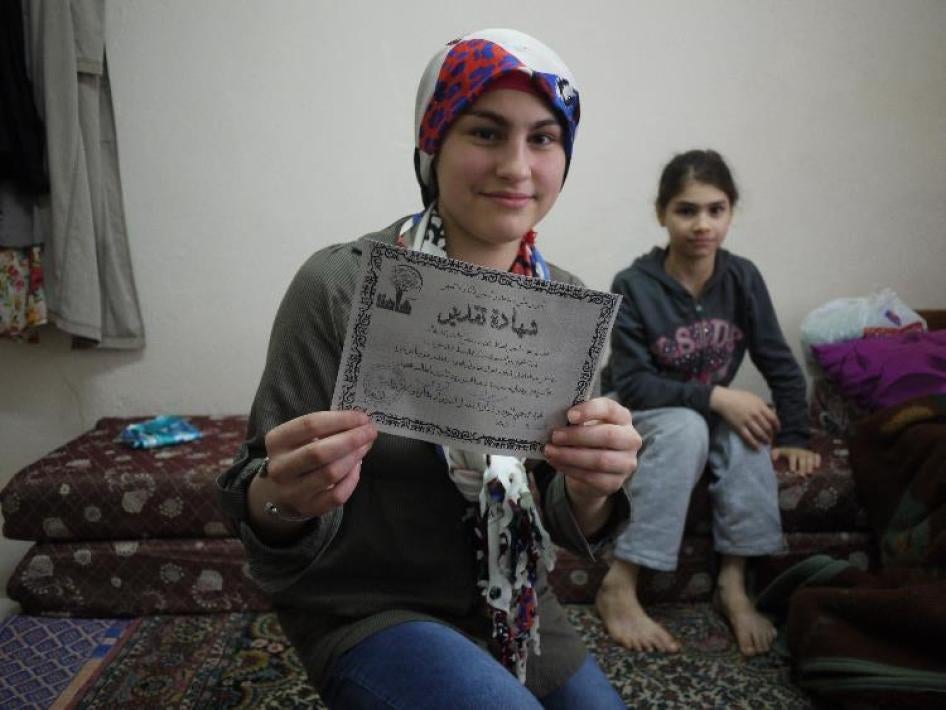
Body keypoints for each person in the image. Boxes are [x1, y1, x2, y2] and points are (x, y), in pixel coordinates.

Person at [217, 29, 641, 709]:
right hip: (366, 606)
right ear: (432, 142)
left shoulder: (561, 304)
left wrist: (594, 486)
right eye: (486, 132)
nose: (516, 167)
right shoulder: (339, 287)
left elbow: (563, 510)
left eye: (542, 138)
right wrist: (283, 497)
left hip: (513, 603)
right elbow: (257, 506)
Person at [596, 149, 821, 657]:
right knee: (687, 427)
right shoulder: (634, 284)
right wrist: (718, 395)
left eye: (716, 210)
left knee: (748, 427)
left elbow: (778, 361)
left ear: (730, 212)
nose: (703, 224)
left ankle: (733, 585)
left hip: (701, 410)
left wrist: (793, 435)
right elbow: (634, 384)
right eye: (687, 210)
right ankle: (620, 583)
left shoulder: (742, 278)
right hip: (640, 407)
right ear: (662, 213)